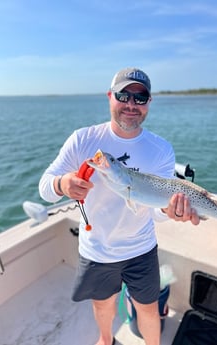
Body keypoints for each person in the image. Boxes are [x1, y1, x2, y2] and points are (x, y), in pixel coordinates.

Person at [39, 67, 200, 345]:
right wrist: (62, 184)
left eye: (140, 98)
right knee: (103, 306)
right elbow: (45, 188)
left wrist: (169, 211)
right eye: (123, 95)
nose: (131, 105)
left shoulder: (161, 149)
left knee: (147, 308)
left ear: (149, 103)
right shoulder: (83, 140)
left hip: (141, 248)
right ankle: (105, 340)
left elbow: (155, 211)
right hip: (97, 250)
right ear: (109, 97)